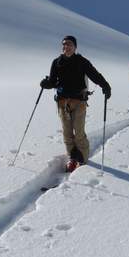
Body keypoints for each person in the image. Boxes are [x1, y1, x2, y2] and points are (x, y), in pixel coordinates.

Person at [40, 35, 111, 172]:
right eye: (64, 44)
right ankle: (72, 157)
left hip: (79, 102)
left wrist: (105, 86)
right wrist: (46, 84)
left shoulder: (82, 61)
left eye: (69, 44)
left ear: (75, 47)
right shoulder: (56, 62)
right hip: (62, 103)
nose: (66, 46)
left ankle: (82, 159)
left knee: (79, 132)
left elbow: (94, 75)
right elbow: (53, 81)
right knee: (67, 132)